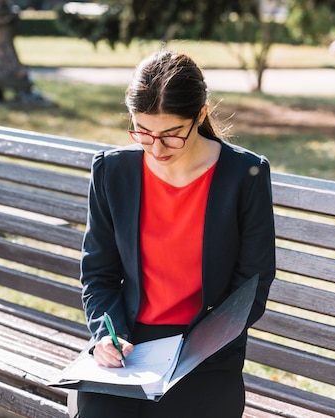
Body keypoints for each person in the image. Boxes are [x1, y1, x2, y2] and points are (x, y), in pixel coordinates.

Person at [71, 50, 276, 418]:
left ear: (200, 114)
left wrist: (203, 346)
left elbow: (253, 283)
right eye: (142, 131)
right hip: (129, 347)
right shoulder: (112, 172)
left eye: (171, 134)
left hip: (204, 352)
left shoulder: (244, 175)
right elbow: (99, 273)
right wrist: (108, 335)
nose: (156, 147)